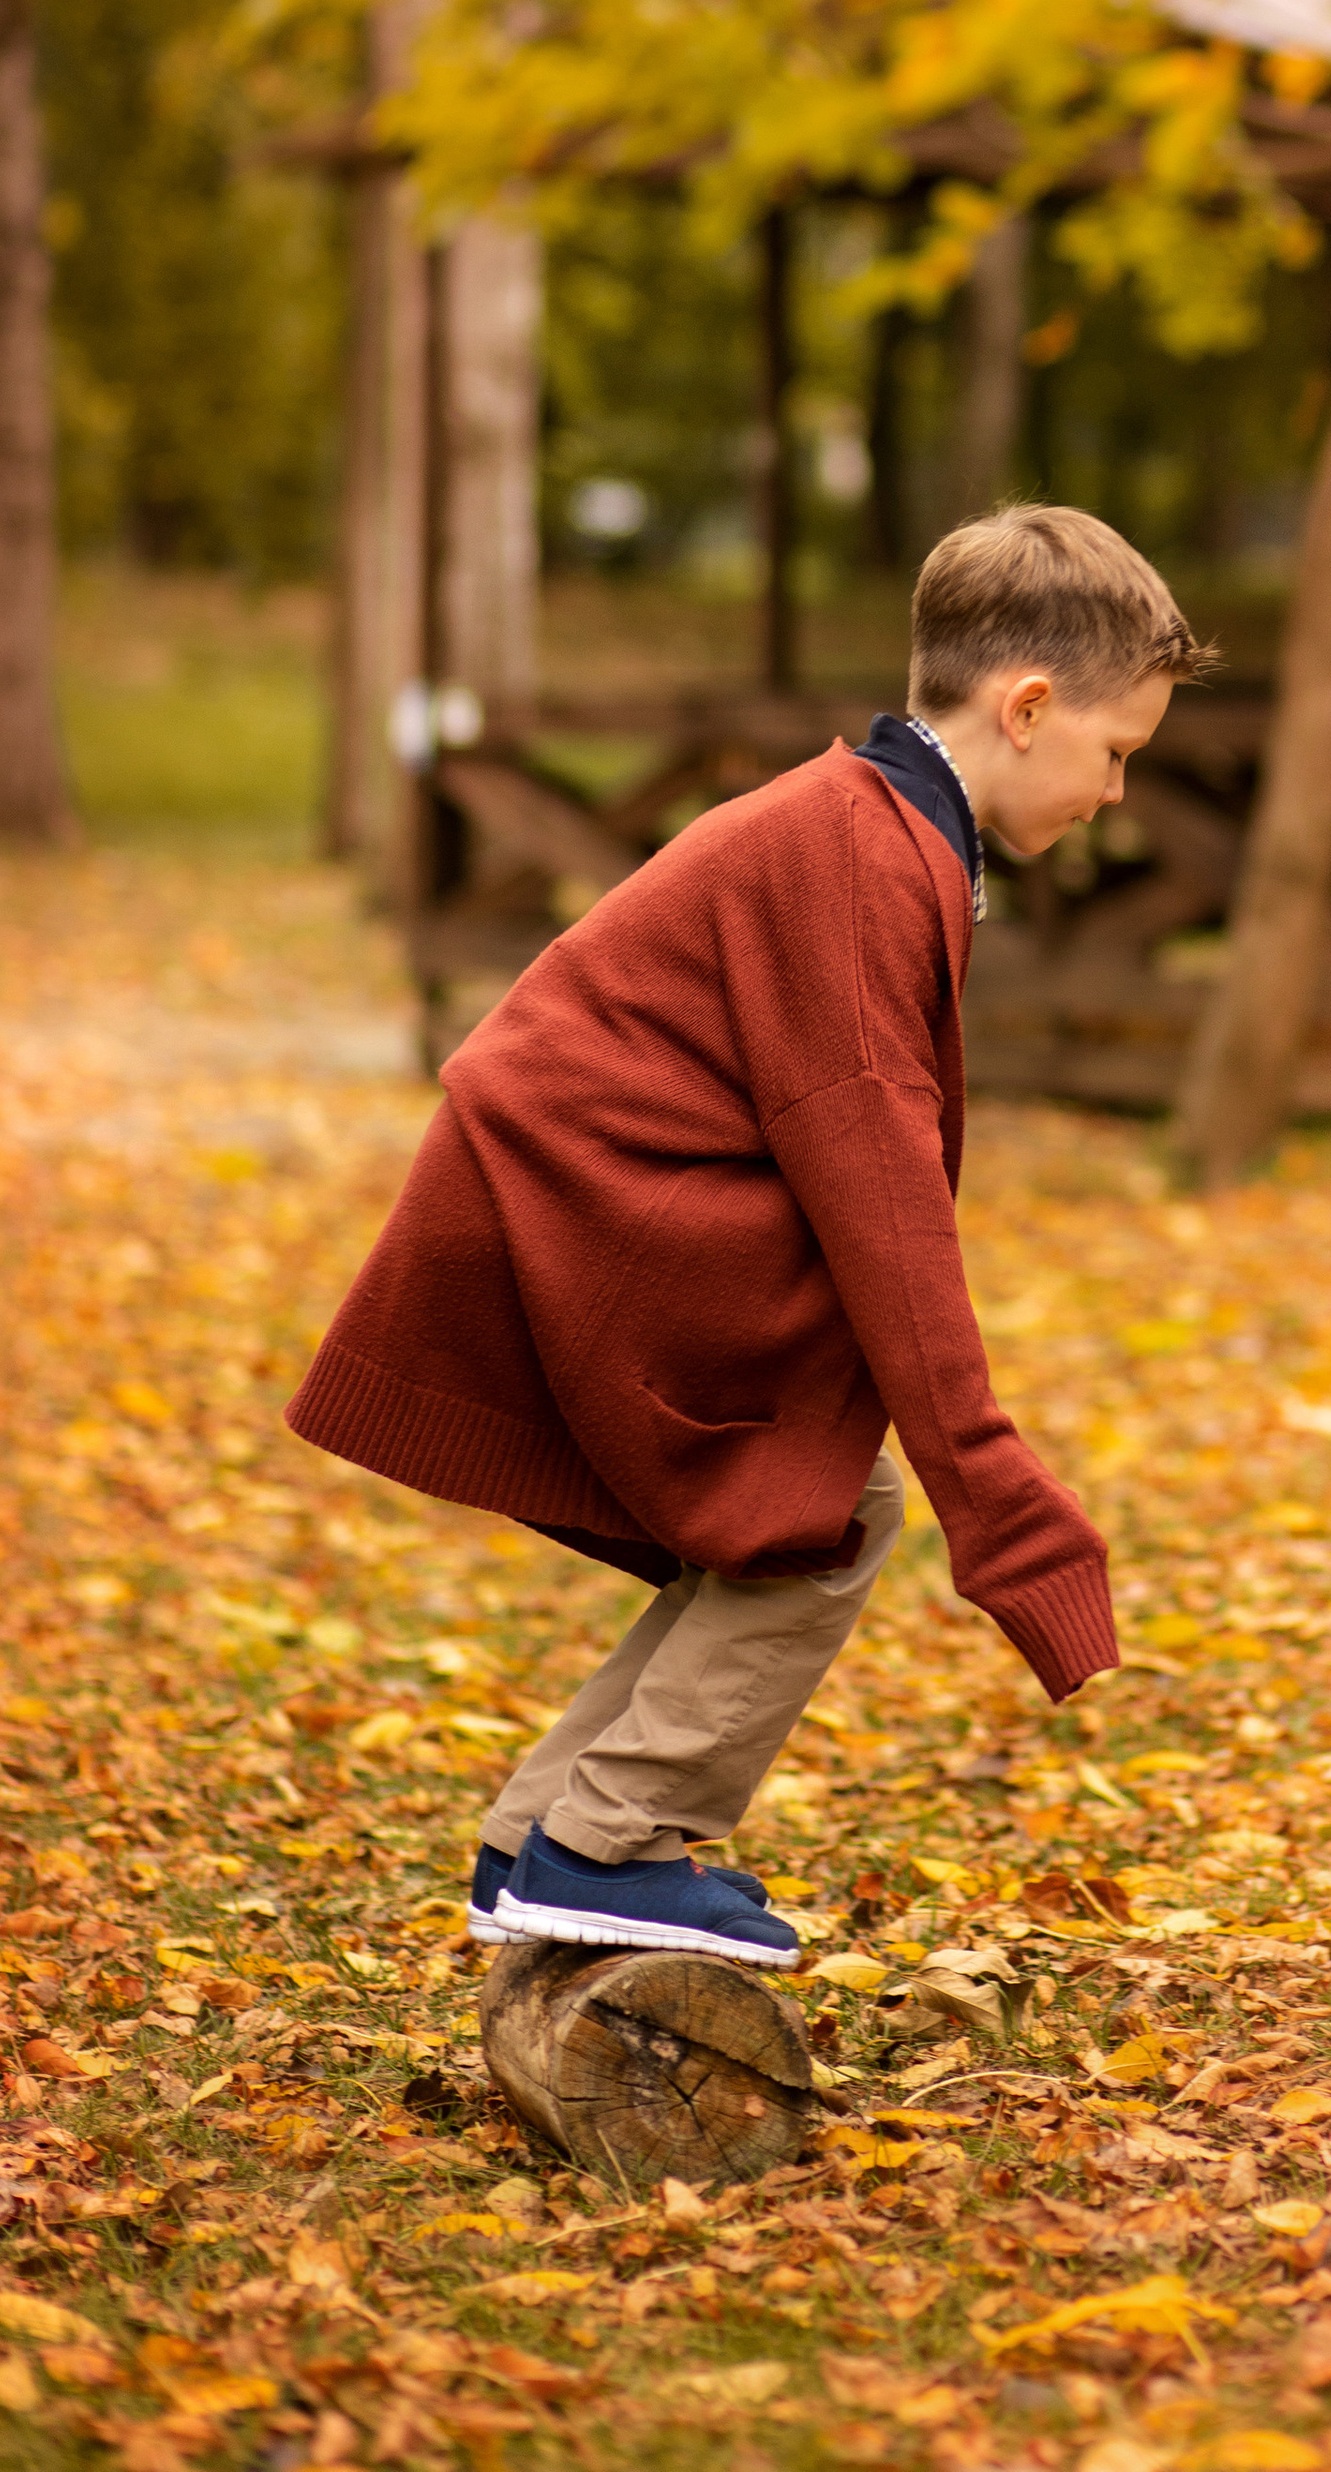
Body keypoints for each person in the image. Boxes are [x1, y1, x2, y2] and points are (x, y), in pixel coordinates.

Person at [286, 503, 1210, 1965]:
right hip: (590, 1209)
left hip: (590, 1200)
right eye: (1118, 753)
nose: (1114, 794)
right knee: (828, 1507)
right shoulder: (860, 859)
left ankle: (543, 1837)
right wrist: (1005, 1503)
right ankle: (616, 1842)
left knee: (800, 1511)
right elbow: (881, 1192)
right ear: (1026, 708)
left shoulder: (878, 831)